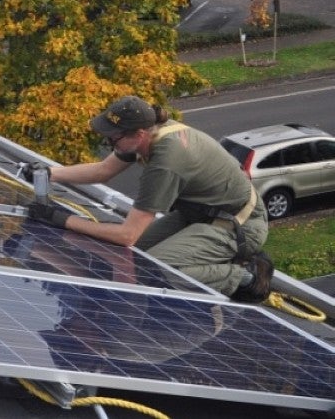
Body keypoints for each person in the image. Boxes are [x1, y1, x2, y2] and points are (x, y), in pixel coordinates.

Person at [24, 95, 274, 303]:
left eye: (114, 137)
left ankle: (245, 275)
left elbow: (127, 235)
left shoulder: (166, 161)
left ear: (140, 133)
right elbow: (103, 171)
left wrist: (62, 219)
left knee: (158, 268)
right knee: (131, 258)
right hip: (199, 214)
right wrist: (48, 173)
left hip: (239, 225)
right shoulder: (150, 136)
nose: (109, 142)